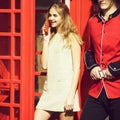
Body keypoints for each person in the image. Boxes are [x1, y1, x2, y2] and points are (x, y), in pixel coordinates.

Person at [34, 2, 83, 120]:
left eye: (55, 15)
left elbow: (77, 68)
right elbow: (44, 65)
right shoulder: (51, 37)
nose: (51, 18)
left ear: (63, 16)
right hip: (50, 90)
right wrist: (45, 42)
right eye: (50, 15)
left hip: (65, 91)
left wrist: (71, 96)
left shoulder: (72, 37)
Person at [80, 0, 120, 120]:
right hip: (97, 89)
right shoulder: (93, 22)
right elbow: (89, 51)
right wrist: (93, 67)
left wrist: (113, 70)